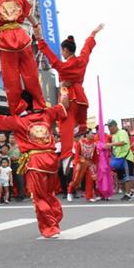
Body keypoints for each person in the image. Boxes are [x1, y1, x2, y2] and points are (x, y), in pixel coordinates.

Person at [0, 90, 69, 238]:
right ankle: (55, 215)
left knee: (38, 197)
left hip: (35, 161)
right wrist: (64, 89)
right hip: (51, 161)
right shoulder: (47, 114)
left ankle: (51, 226)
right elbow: (64, 105)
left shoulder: (19, 120)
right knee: (49, 193)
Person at [35, 24, 103, 163]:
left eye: (62, 50)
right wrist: (93, 34)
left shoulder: (65, 67)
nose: (61, 53)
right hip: (82, 100)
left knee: (65, 126)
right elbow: (87, 49)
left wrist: (41, 41)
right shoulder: (82, 60)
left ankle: (66, 156)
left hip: (70, 99)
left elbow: (52, 58)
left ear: (65, 50)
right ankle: (79, 132)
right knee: (80, 125)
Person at [105, 120, 134, 200]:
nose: (109, 129)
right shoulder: (114, 136)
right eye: (108, 127)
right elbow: (114, 148)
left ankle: (128, 194)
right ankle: (128, 193)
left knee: (127, 177)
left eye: (110, 127)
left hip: (125, 158)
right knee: (121, 178)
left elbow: (123, 142)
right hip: (118, 159)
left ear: (114, 126)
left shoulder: (122, 132)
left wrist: (110, 144)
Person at [71, 130, 98, 202]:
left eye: (93, 134)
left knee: (90, 180)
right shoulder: (80, 142)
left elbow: (95, 156)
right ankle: (70, 191)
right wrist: (76, 163)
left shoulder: (94, 144)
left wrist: (95, 164)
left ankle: (89, 196)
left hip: (89, 163)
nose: (93, 135)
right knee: (76, 179)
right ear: (86, 135)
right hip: (81, 162)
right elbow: (77, 154)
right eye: (91, 133)